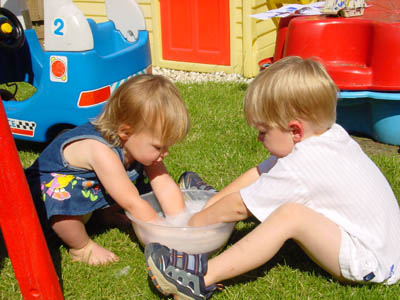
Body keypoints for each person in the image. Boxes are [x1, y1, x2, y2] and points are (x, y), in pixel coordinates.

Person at [144, 56, 400, 299]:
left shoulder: (301, 165)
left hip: (370, 262)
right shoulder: (329, 136)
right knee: (287, 208)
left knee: (291, 216)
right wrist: (211, 201)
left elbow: (238, 208)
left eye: (264, 131)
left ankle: (199, 279)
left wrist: (193, 225)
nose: (258, 138)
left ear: (295, 130)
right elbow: (259, 173)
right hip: (387, 248)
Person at [26, 74, 190, 265]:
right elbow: (131, 202)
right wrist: (163, 233)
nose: (165, 153)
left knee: (138, 188)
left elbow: (164, 184)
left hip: (89, 190)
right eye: (159, 146)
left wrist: (181, 222)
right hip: (41, 200)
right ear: (125, 132)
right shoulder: (101, 151)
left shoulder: (137, 144)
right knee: (64, 196)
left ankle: (104, 215)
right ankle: (81, 247)